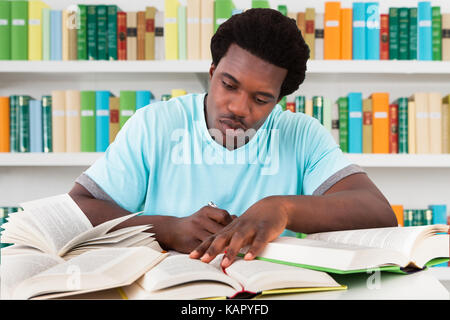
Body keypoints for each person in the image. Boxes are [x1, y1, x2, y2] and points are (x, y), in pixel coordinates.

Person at [69, 8, 397, 268]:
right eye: (229, 85)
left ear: (278, 100)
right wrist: (168, 228)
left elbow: (378, 212)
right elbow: (77, 208)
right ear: (212, 73)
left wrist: (282, 208)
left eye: (261, 99)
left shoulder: (301, 135)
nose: (238, 108)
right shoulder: (156, 124)